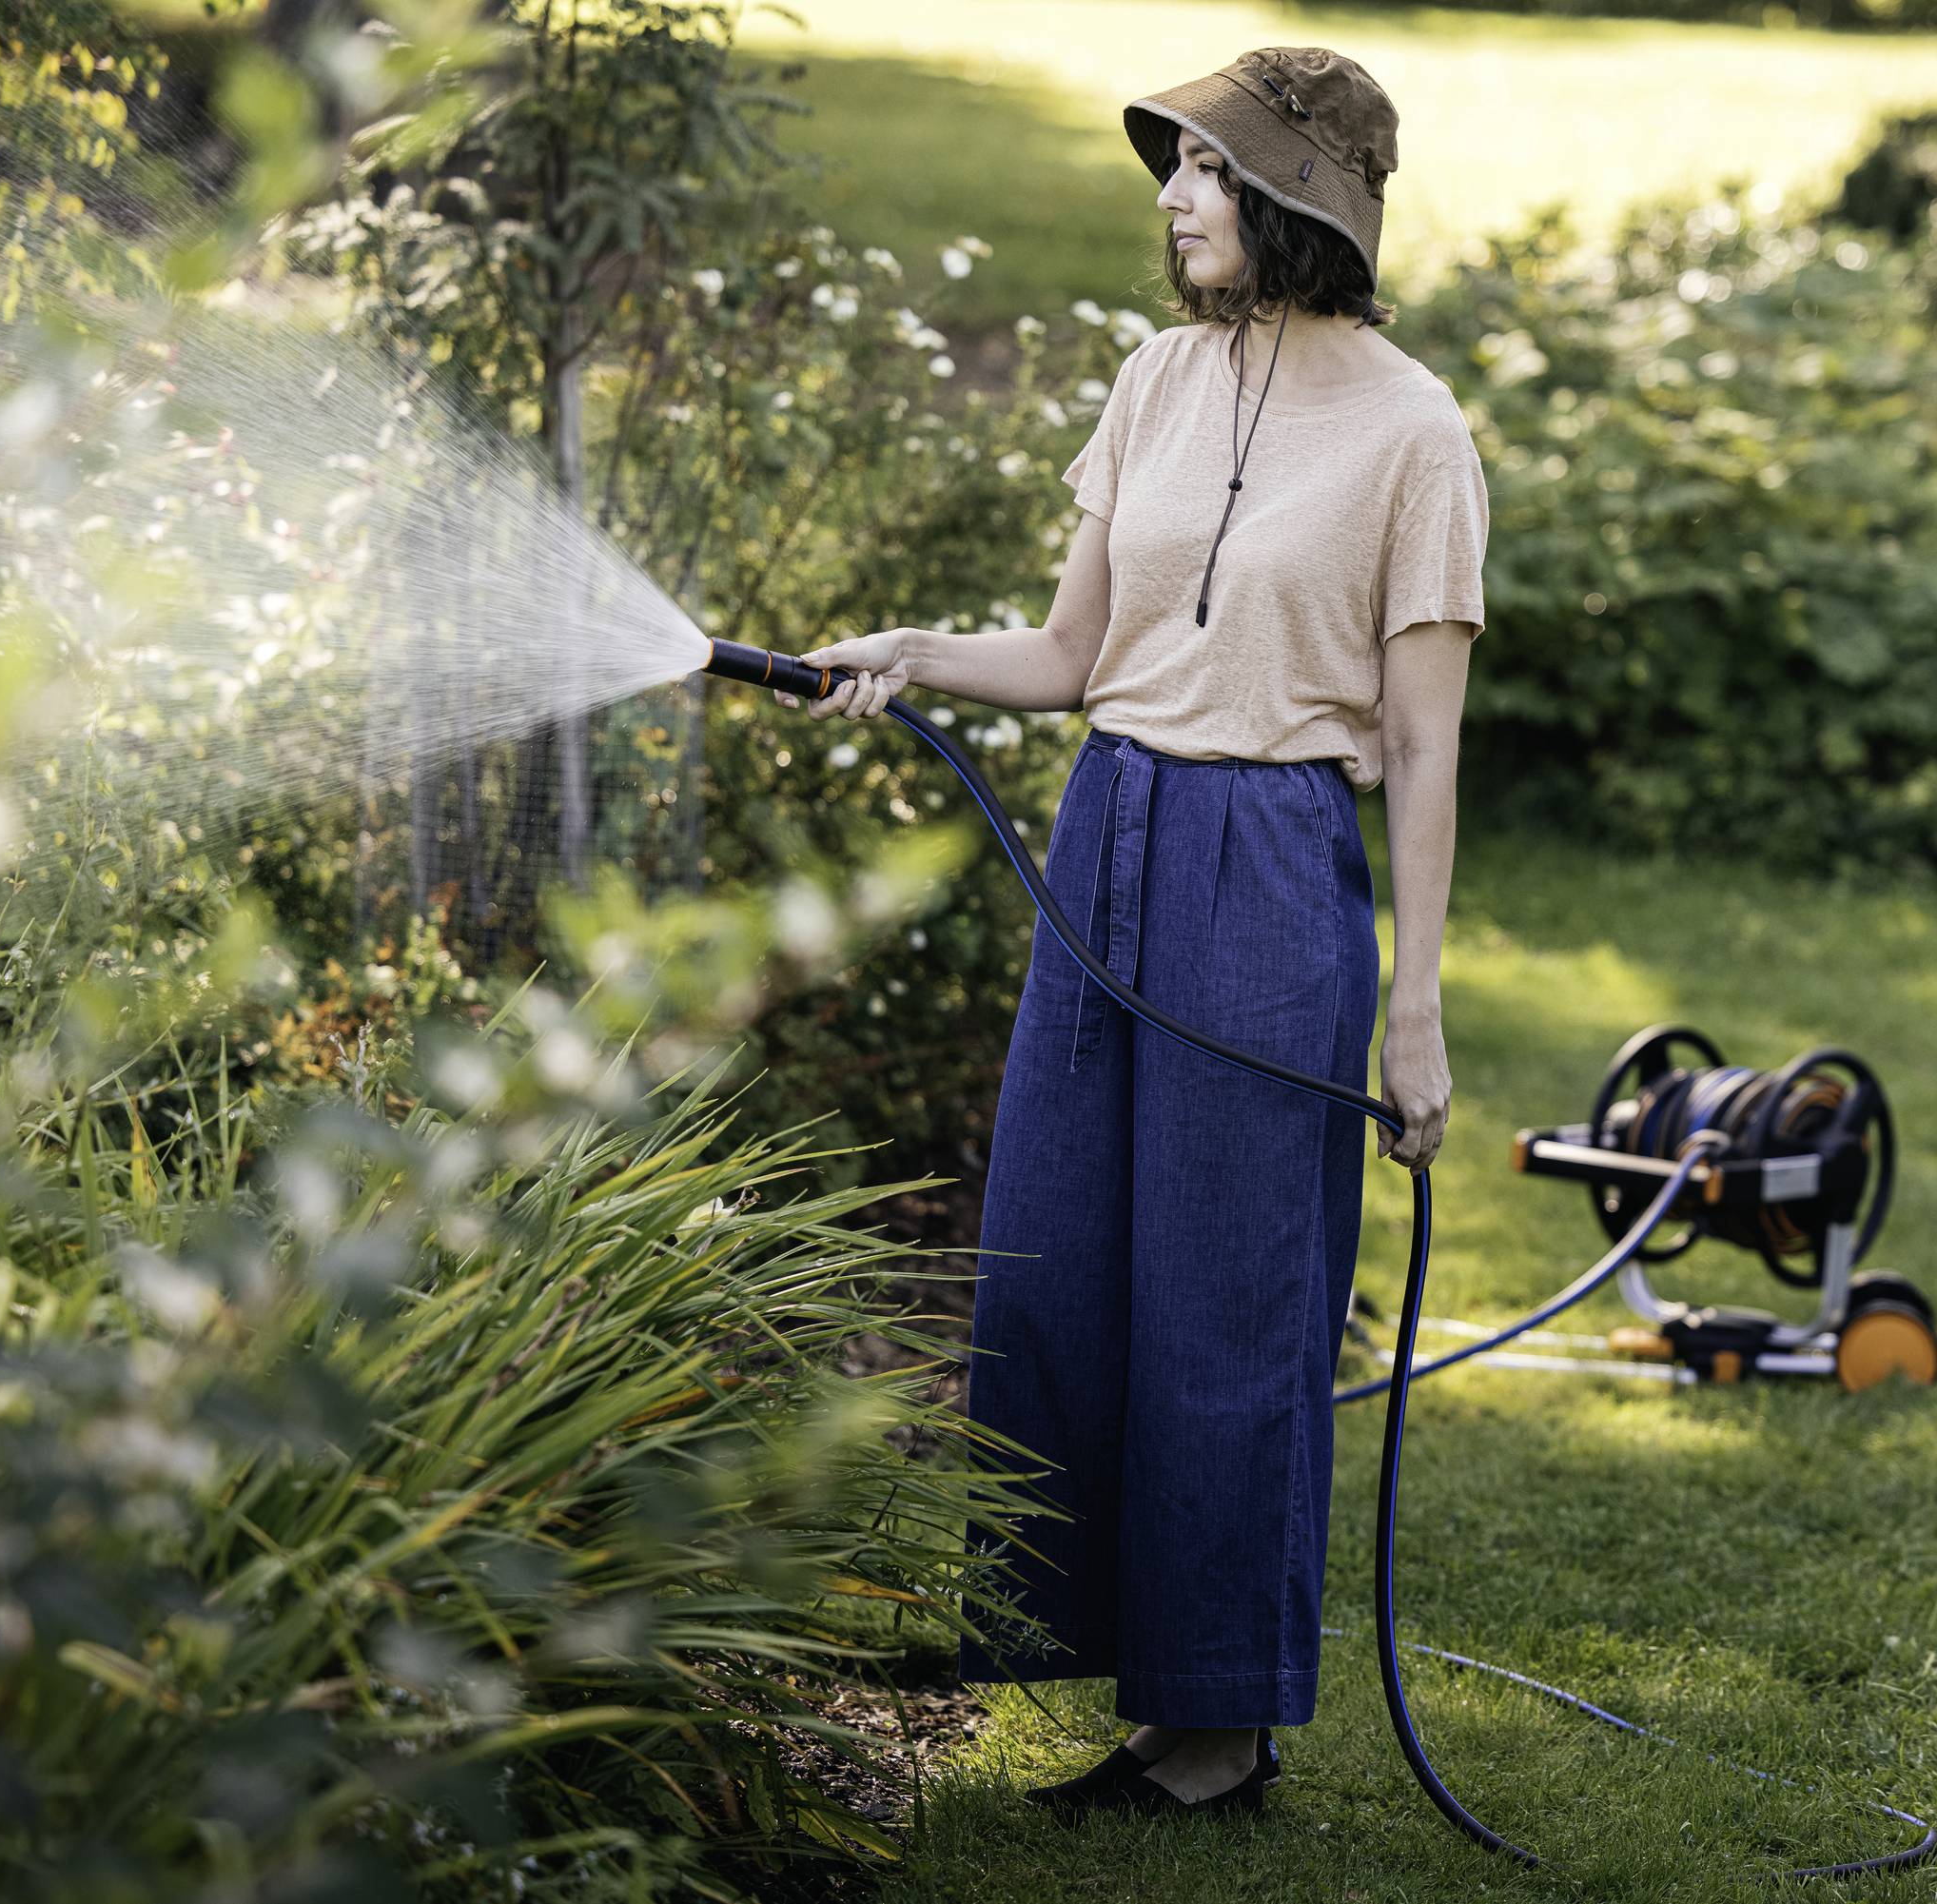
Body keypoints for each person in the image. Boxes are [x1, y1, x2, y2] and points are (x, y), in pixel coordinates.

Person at [781, 46, 1489, 1822]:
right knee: (1066, 1261)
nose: (1171, 198)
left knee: (1232, 1289)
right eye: (1173, 167)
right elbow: (1069, 655)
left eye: (1201, 171)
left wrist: (1415, 1009)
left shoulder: (1415, 432)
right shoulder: (1154, 381)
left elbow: (1419, 744)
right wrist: (919, 654)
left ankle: (1217, 1728)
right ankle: (1096, 1648)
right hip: (1111, 835)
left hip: (1266, 859)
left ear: (1292, 202)